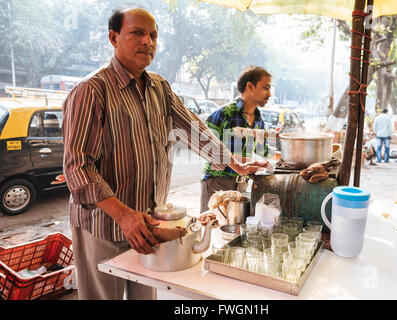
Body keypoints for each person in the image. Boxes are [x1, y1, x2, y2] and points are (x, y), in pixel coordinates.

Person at [62, 8, 267, 300]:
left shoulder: (159, 86)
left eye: (153, 35)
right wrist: (124, 216)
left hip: (150, 222)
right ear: (114, 37)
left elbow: (195, 131)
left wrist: (236, 164)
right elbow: (77, 167)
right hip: (102, 224)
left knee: (145, 295)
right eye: (137, 33)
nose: (148, 41)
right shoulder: (91, 90)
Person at [200, 66, 272, 213]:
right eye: (265, 88)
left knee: (234, 230)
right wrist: (239, 163)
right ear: (250, 86)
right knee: (212, 227)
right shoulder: (225, 114)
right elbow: (205, 147)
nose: (269, 94)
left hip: (242, 185)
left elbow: (263, 152)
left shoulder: (259, 120)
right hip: (217, 183)